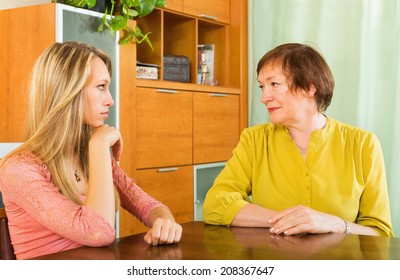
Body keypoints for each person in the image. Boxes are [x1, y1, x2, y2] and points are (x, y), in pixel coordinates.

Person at [0, 41, 182, 260]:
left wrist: (165, 223)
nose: (110, 100)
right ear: (68, 91)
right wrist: (98, 147)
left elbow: (148, 205)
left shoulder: (90, 154)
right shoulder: (19, 169)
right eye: (101, 87)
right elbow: (98, 233)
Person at [203, 43, 394, 237]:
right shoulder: (254, 140)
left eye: (274, 84)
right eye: (262, 87)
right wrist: (291, 220)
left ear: (310, 87)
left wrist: (335, 224)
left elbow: (380, 233)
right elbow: (216, 204)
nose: (264, 97)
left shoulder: (363, 144)